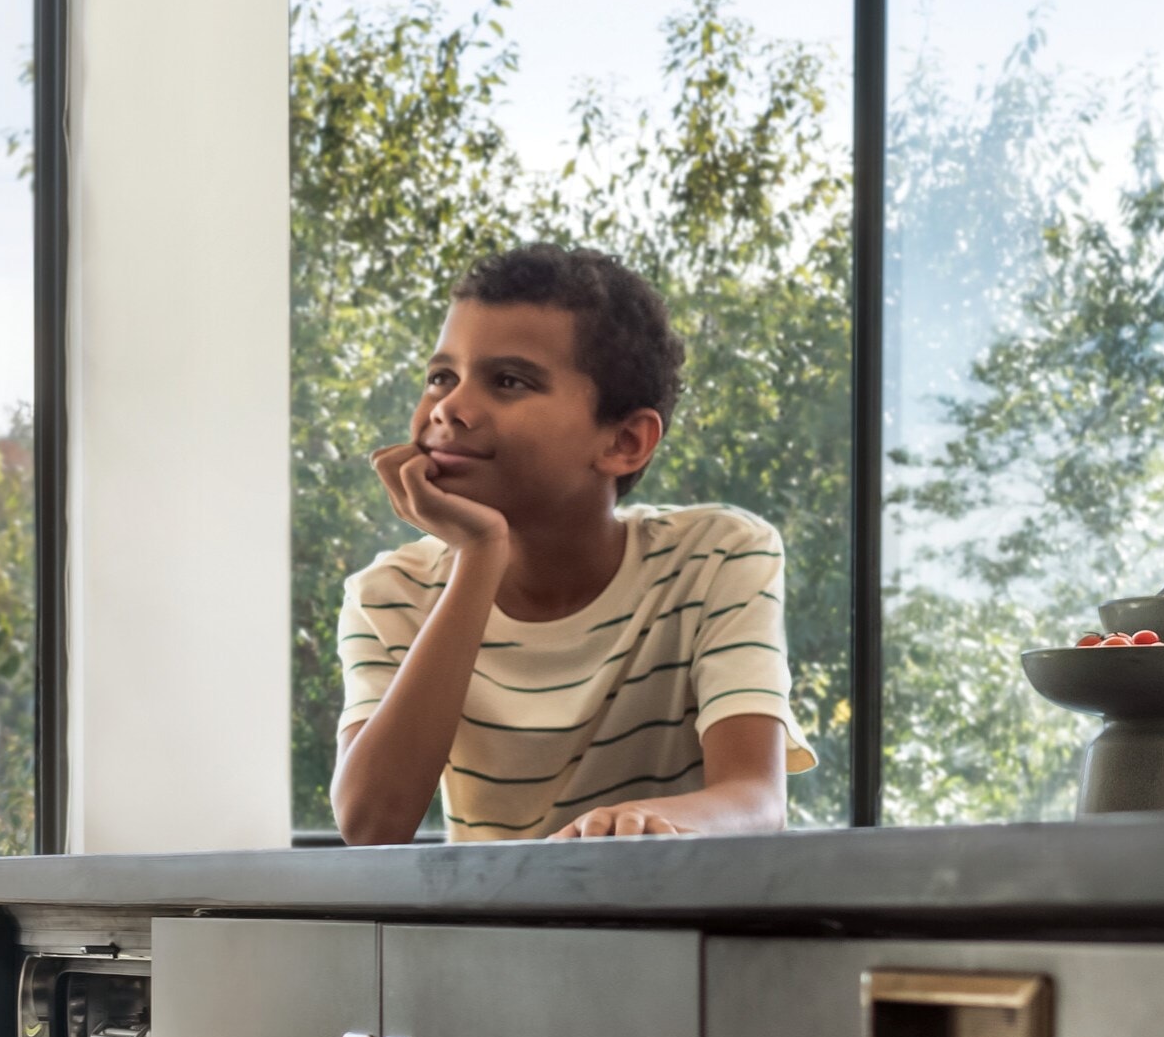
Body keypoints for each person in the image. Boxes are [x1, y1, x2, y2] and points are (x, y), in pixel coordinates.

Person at [330, 243, 807, 843]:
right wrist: (479, 556)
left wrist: (642, 826)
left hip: (677, 931)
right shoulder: (389, 594)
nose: (449, 406)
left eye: (508, 381)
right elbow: (372, 825)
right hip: (489, 934)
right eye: (440, 377)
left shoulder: (717, 557)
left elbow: (757, 800)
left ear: (626, 441)